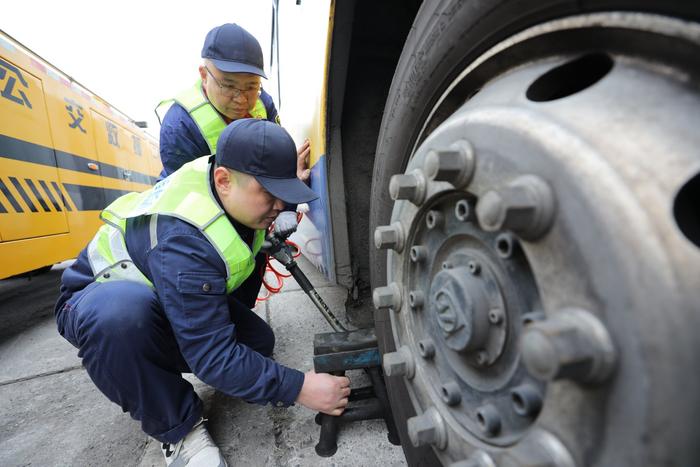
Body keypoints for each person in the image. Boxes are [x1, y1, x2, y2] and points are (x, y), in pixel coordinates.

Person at [54, 119, 349, 467]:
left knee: (257, 344)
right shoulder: (185, 242)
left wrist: (282, 193)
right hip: (96, 299)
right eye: (270, 195)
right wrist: (300, 387)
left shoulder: (226, 185)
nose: (278, 205)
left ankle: (156, 360)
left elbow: (224, 347)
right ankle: (175, 427)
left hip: (161, 288)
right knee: (122, 321)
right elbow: (212, 356)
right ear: (223, 180)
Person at [156, 22, 307, 308]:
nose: (241, 99)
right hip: (199, 208)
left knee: (253, 263)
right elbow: (192, 204)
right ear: (204, 74)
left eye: (251, 87)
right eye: (228, 86)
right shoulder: (180, 127)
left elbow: (277, 165)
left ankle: (241, 319)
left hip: (247, 199)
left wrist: (286, 207)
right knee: (215, 268)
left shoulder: (264, 104)